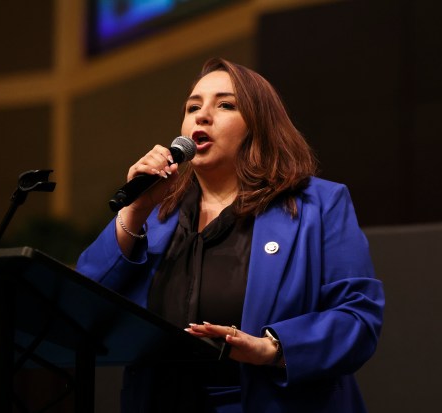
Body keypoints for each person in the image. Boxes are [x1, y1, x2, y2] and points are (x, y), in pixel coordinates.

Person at [77, 57, 384, 413]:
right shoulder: (156, 215)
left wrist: (272, 348)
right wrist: (134, 210)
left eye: (225, 105)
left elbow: (358, 319)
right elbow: (82, 307)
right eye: (193, 107)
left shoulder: (318, 205)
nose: (202, 115)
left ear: (259, 126)